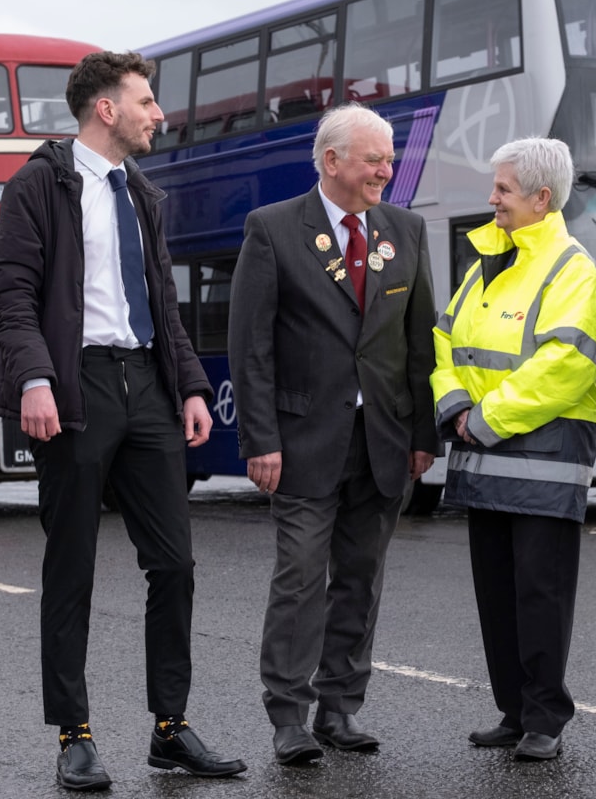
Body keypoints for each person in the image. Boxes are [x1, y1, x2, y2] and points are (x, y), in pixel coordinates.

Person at [0, 51, 246, 791]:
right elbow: (9, 292)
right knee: (72, 567)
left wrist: (191, 387)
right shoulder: (40, 184)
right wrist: (36, 377)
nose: (156, 113)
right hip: (76, 386)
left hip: (148, 388)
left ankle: (170, 728)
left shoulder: (142, 194)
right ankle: (75, 734)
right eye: (145, 101)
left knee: (175, 563)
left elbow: (163, 301)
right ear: (106, 109)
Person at [228, 103, 440, 766]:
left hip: (381, 440)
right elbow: (251, 347)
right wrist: (259, 438)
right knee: (298, 578)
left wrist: (422, 434)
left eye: (389, 157)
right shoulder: (272, 229)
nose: (388, 168)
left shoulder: (405, 229)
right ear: (332, 162)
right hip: (299, 442)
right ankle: (288, 716)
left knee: (360, 578)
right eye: (375, 158)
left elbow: (417, 342)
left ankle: (340, 708)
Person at [430, 136, 596, 761]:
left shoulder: (575, 273)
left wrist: (482, 417)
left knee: (541, 594)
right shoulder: (487, 264)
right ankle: (514, 711)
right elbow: (445, 342)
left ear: (542, 198)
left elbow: (562, 368)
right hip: (483, 456)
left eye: (503, 189)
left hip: (541, 460)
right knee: (498, 595)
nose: (492, 199)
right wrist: (454, 403)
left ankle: (545, 720)